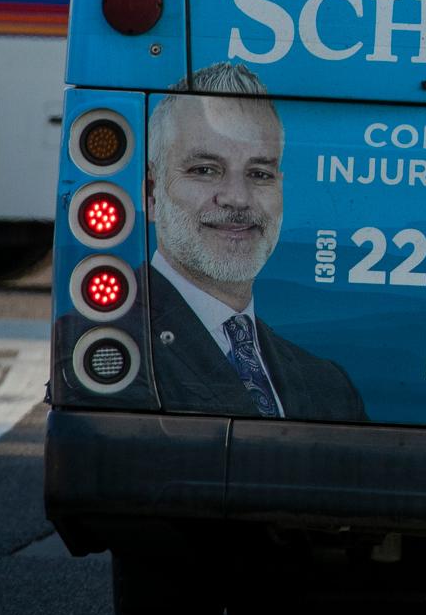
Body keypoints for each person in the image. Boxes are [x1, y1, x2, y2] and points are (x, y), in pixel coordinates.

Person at [145, 61, 365, 422]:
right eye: (205, 170)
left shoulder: (329, 386)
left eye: (259, 173)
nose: (237, 197)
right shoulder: (112, 345)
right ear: (152, 194)